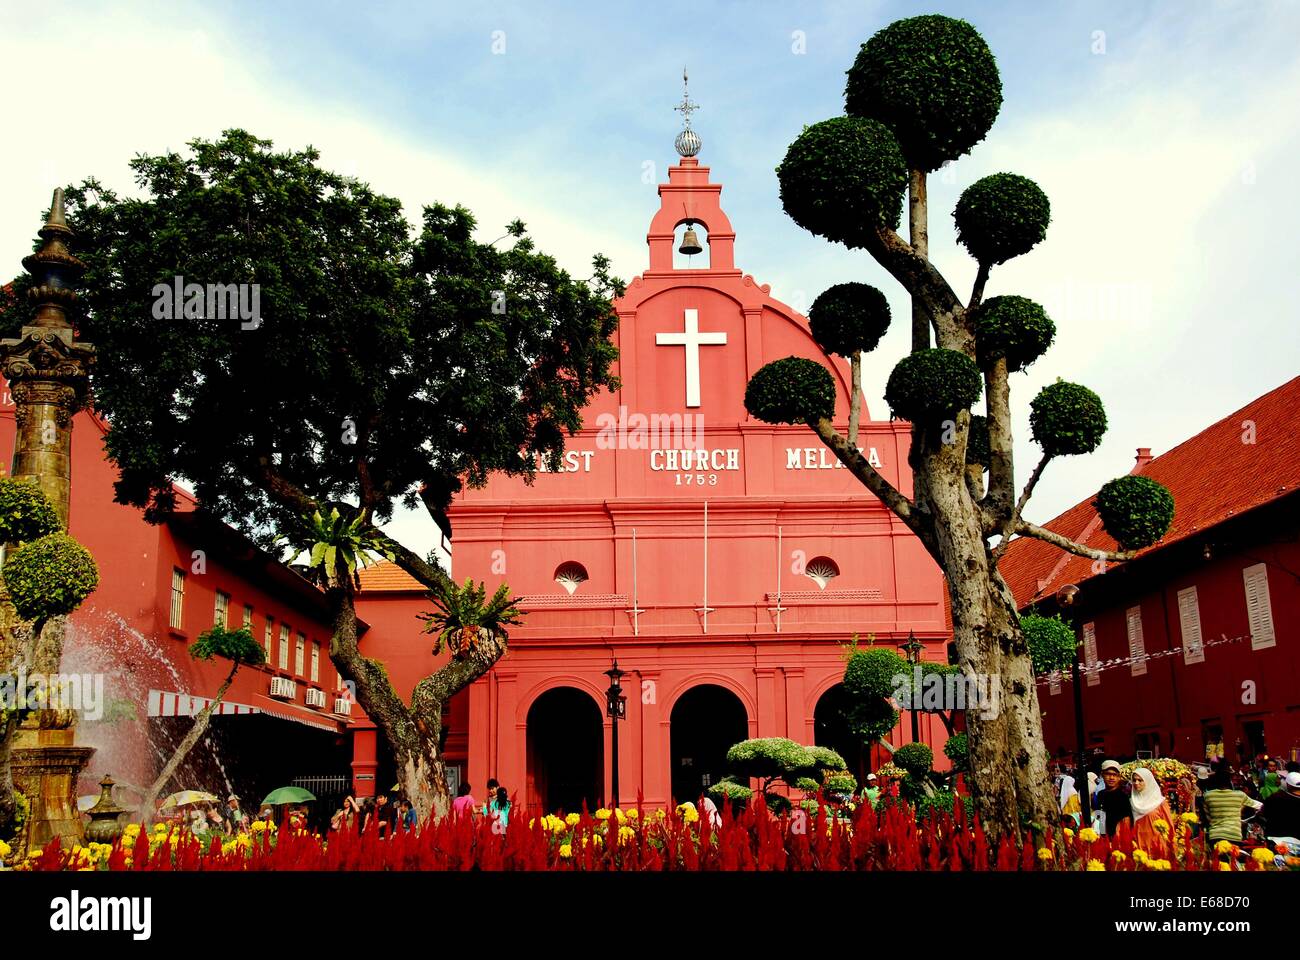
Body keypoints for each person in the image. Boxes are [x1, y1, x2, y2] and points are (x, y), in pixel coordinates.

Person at [1203, 765, 1263, 845]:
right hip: (1234, 835)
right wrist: (1250, 818)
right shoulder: (1239, 795)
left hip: (1215, 835)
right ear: (1229, 781)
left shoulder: (1207, 796)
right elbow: (1261, 806)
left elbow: (1207, 816)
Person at [1130, 769, 1175, 856]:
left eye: (1140, 780)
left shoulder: (1159, 802)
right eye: (1134, 780)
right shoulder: (1131, 802)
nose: (1136, 783)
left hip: (1157, 847)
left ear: (1148, 781)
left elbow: (1169, 826)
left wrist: (1172, 847)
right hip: (1138, 848)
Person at [1096, 760, 1131, 837]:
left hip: (1118, 838)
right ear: (1102, 775)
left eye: (1115, 775)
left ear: (1119, 777)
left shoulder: (1124, 796)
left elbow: (1126, 821)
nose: (1111, 778)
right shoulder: (1100, 794)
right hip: (1104, 838)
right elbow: (1099, 816)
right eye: (1108, 774)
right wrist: (1102, 836)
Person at [1262, 771, 1300, 841]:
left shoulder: (1275, 797)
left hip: (1276, 838)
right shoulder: (1276, 797)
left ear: (1288, 785)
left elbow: (1265, 813)